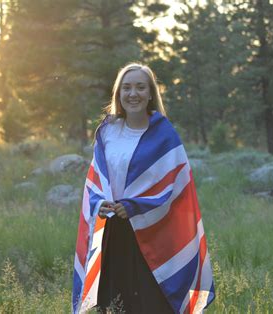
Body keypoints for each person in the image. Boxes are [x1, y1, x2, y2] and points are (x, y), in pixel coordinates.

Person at [72, 63, 215, 314]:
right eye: (126, 88)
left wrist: (135, 206)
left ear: (151, 93)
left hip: (153, 234)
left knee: (150, 304)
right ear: (118, 94)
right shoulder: (107, 131)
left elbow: (175, 189)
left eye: (140, 87)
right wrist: (99, 203)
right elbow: (95, 180)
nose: (133, 93)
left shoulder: (165, 135)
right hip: (114, 232)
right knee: (116, 303)